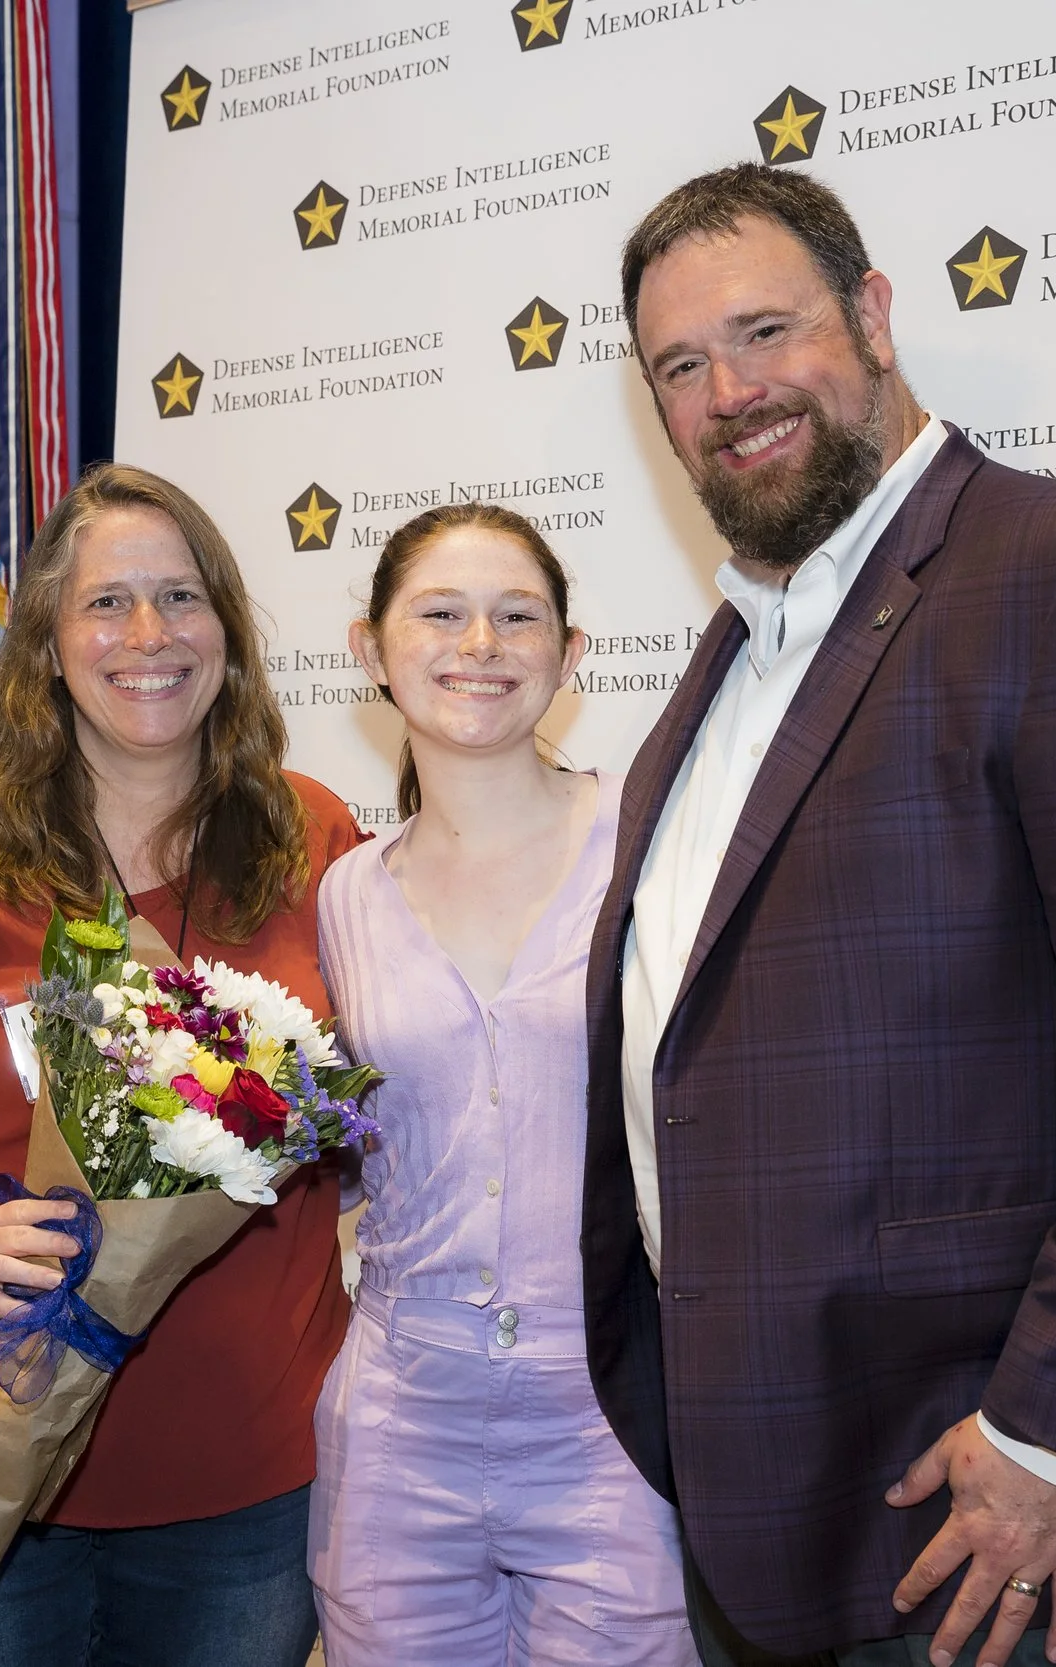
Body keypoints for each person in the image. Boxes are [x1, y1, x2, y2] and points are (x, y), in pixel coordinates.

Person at [581, 164, 1056, 1667]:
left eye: (765, 328)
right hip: (779, 1488)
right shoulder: (736, 650)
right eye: (680, 364)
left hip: (993, 1514)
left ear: (870, 313)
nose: (730, 389)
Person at [0, 462, 363, 1667]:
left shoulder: (317, 843)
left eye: (181, 597)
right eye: (106, 603)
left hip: (241, 1479)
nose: (149, 635)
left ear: (228, 628)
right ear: (48, 647)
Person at [309, 503, 697, 1665]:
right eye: (440, 612)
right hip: (399, 1423)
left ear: (569, 656)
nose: (478, 642)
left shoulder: (653, 845)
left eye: (516, 615)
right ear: (371, 650)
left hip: (612, 1420)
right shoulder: (343, 892)